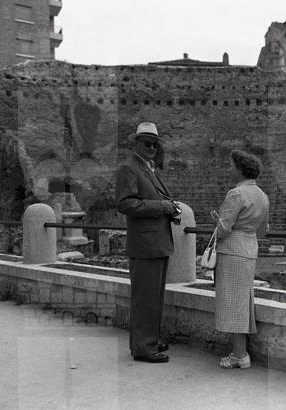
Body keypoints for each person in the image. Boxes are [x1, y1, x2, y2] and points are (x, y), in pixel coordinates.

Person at [115, 121, 181, 363]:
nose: (152, 147)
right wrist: (161, 207)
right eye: (147, 143)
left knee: (154, 298)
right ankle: (144, 348)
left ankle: (149, 340)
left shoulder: (146, 168)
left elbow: (153, 198)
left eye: (155, 144)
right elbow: (125, 203)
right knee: (145, 299)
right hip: (145, 244)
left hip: (156, 241)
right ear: (136, 143)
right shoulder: (129, 168)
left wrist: (169, 207)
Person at [210, 149, 269, 369]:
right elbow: (262, 231)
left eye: (231, 166)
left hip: (232, 251)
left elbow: (223, 229)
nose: (229, 170)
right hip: (249, 251)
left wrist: (217, 221)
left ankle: (239, 354)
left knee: (233, 302)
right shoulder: (262, 196)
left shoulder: (236, 193)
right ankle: (240, 352)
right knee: (242, 301)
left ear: (240, 169)